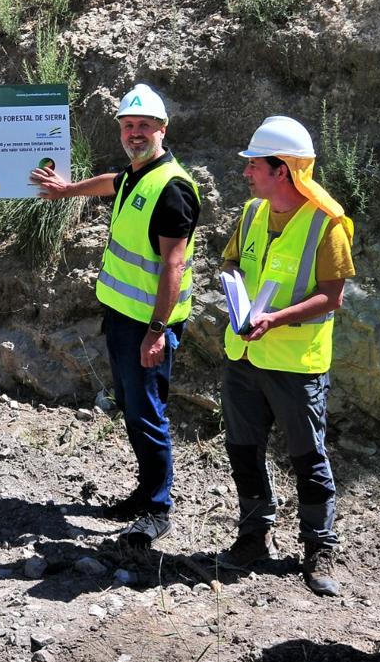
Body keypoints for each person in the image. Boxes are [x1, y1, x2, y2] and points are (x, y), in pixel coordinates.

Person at [31, 84, 200, 545]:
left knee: (148, 411)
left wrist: (158, 331)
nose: (135, 133)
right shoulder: (137, 175)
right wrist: (67, 190)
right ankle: (146, 491)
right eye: (128, 126)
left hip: (149, 324)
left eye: (144, 126)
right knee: (132, 406)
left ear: (162, 129)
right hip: (124, 320)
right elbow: (111, 181)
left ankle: (159, 508)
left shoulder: (172, 188)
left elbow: (173, 264)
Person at [214, 115, 354, 598]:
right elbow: (231, 261)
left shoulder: (327, 224)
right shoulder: (252, 213)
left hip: (296, 365)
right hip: (244, 357)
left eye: (255, 164)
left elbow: (332, 297)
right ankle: (253, 537)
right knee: (243, 450)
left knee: (307, 457)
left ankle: (319, 547)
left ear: (283, 170)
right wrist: (233, 288)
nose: (247, 172)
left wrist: (274, 318)